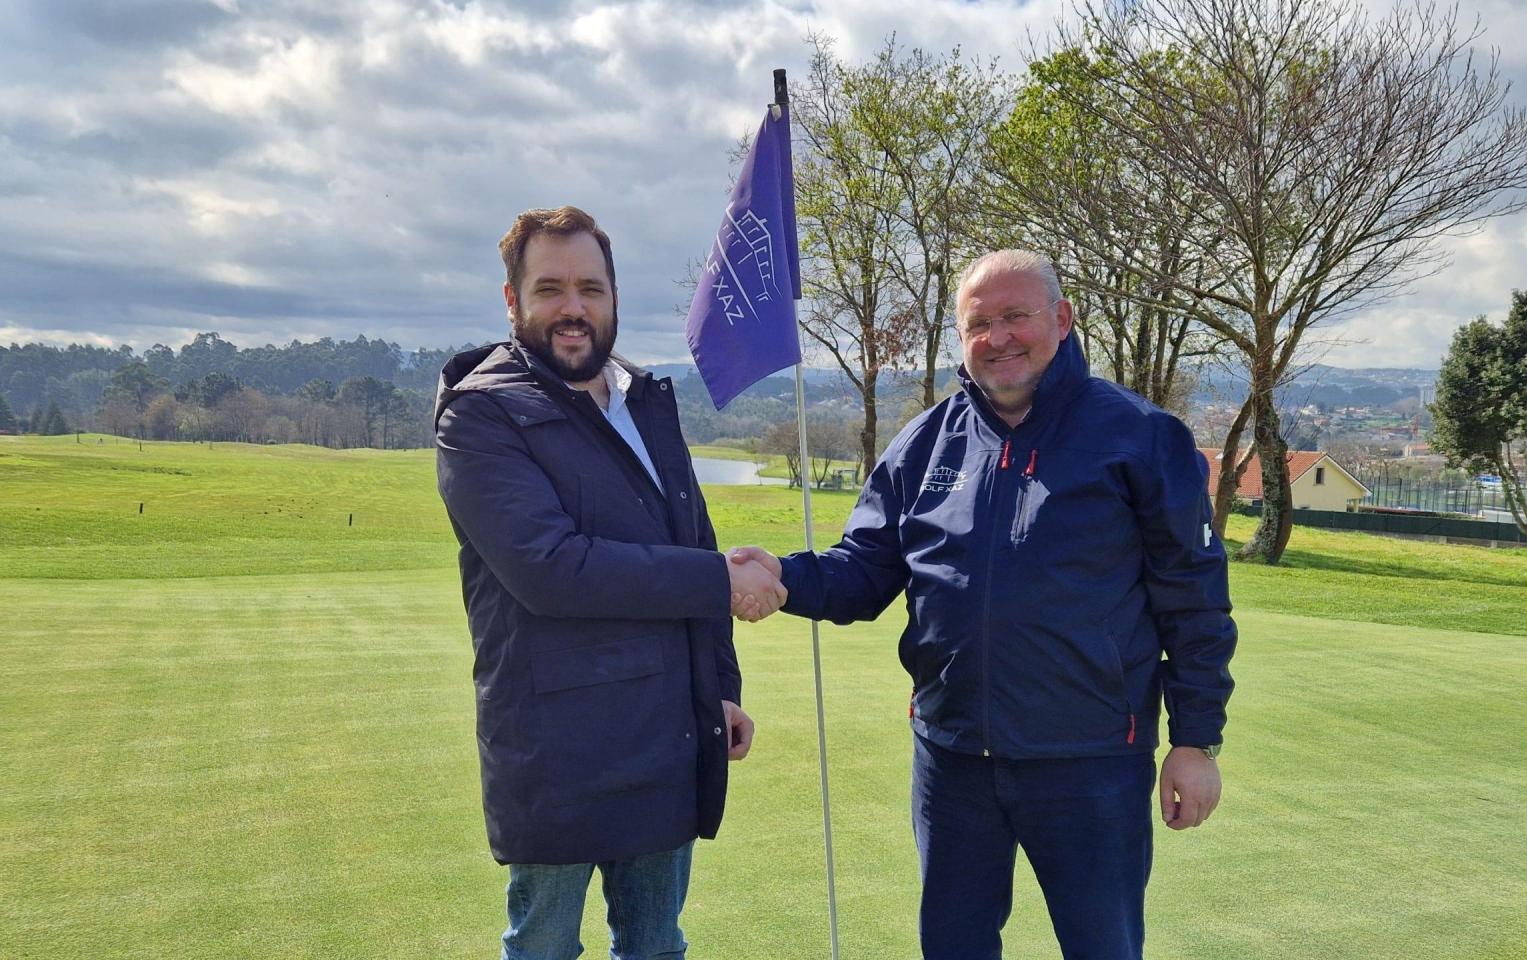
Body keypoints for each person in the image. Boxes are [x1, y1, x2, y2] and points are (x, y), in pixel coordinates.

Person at [731, 250, 1237, 960]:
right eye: (979, 324)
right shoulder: (925, 443)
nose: (997, 337)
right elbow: (865, 571)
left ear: (1060, 319)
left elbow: (1195, 603)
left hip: (1090, 761)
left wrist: (1195, 740)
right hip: (952, 759)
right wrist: (783, 574)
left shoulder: (1142, 438)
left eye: (1015, 317)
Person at [435, 205, 785, 960]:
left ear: (613, 298)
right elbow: (552, 569)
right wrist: (718, 581)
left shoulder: (645, 403)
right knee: (545, 948)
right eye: (550, 288)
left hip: (665, 736)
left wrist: (721, 685)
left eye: (591, 288)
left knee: (657, 946)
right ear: (512, 301)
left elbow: (695, 539)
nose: (573, 308)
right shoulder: (480, 415)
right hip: (556, 748)